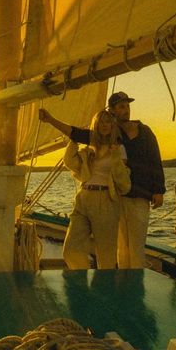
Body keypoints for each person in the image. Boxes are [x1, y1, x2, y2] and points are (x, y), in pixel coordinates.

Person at [39, 91, 165, 268]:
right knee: (121, 248)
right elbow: (77, 133)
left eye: (127, 106)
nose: (126, 110)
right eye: (121, 107)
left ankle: (135, 288)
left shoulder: (144, 131)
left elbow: (155, 159)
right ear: (112, 111)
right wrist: (51, 119)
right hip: (117, 196)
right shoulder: (110, 134)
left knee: (136, 246)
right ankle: (122, 285)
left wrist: (158, 190)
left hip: (140, 194)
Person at [62, 109, 131, 270]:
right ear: (95, 125)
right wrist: (73, 141)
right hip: (83, 198)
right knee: (71, 249)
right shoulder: (89, 150)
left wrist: (115, 159)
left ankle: (104, 291)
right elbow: (71, 163)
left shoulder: (118, 149)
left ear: (113, 125)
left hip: (106, 199)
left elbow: (124, 183)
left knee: (106, 257)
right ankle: (81, 284)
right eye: (101, 122)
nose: (105, 125)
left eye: (108, 122)